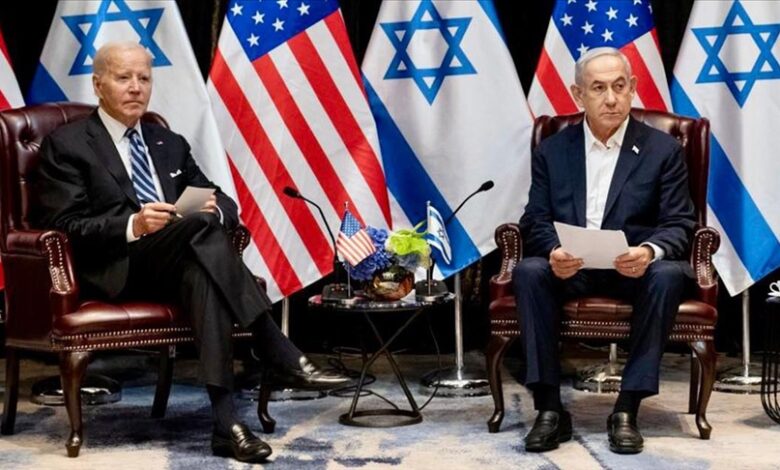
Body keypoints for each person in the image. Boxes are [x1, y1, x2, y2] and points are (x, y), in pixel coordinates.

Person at [32, 42, 348, 464]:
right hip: (115, 268)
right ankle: (276, 346)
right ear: (98, 84)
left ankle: (226, 426)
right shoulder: (68, 144)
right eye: (124, 77)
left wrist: (216, 210)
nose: (136, 87)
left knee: (203, 264)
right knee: (200, 230)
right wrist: (134, 225)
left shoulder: (168, 141)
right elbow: (65, 225)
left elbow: (221, 200)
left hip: (178, 260)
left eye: (144, 78)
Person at [513, 47, 696, 455]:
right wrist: (554, 251)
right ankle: (549, 408)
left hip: (634, 272)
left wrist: (649, 251)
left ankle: (627, 408)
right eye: (598, 88)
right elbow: (535, 219)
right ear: (578, 95)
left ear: (633, 88)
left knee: (668, 274)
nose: (611, 98)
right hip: (572, 268)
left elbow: (680, 222)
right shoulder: (553, 150)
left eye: (619, 86)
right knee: (529, 271)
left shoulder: (663, 150)